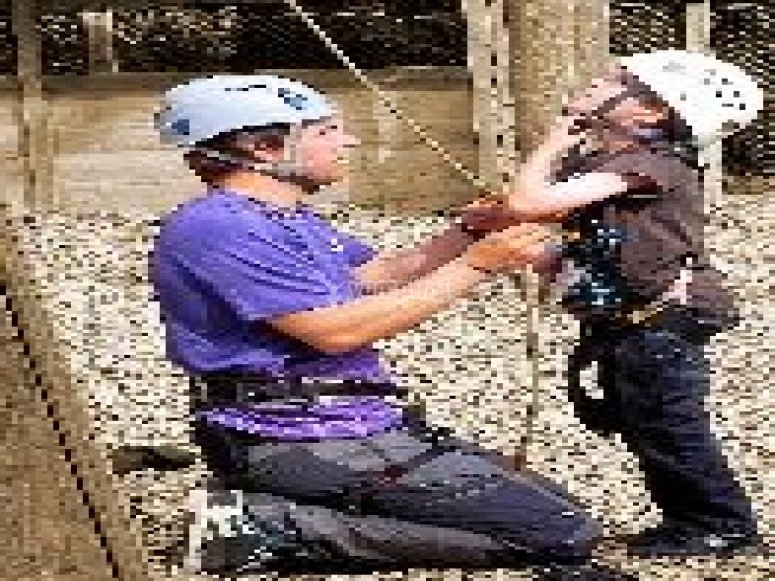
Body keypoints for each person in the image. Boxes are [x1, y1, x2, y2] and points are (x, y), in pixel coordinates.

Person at [151, 74, 640, 579]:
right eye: (327, 132)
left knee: (553, 506)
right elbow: (335, 332)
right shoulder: (223, 227)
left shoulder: (283, 218)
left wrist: (470, 231)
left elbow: (377, 276)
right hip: (293, 436)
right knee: (560, 532)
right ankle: (265, 524)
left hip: (341, 423)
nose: (349, 141)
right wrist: (478, 265)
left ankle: (289, 513)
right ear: (266, 149)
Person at [466, 49, 764, 558]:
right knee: (645, 423)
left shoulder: (651, 166)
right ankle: (692, 520)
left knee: (670, 427)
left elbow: (527, 202)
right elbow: (553, 218)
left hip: (663, 320)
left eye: (616, 80)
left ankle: (720, 525)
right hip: (627, 322)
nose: (598, 82)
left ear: (652, 112)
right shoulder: (601, 163)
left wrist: (553, 140)